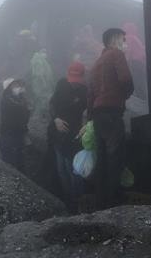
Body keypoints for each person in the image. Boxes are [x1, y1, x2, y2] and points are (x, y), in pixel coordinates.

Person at [87, 28, 134, 208]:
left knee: (102, 157)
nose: (125, 42)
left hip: (98, 113)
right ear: (114, 39)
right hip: (113, 110)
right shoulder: (116, 54)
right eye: (123, 38)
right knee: (115, 154)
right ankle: (114, 198)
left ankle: (101, 199)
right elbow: (125, 79)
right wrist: (125, 94)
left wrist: (91, 114)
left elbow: (90, 92)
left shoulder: (97, 62)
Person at [48, 61, 87, 209]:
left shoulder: (85, 90)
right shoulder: (62, 84)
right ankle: (68, 201)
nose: (74, 83)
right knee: (61, 169)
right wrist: (56, 119)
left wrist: (86, 124)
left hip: (75, 135)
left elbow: (90, 109)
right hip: (58, 134)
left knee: (74, 170)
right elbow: (52, 104)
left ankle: (79, 202)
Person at [0, 78, 31, 172]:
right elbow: (19, 110)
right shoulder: (6, 101)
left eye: (18, 86)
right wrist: (26, 105)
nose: (18, 88)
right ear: (8, 89)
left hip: (18, 133)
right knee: (10, 162)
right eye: (15, 86)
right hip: (8, 135)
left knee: (20, 158)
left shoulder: (18, 99)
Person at [29, 49, 55, 120]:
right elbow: (38, 74)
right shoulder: (38, 60)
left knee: (43, 100)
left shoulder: (42, 60)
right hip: (40, 85)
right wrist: (44, 83)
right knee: (40, 100)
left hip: (42, 85)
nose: (45, 53)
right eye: (43, 51)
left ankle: (42, 116)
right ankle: (38, 116)